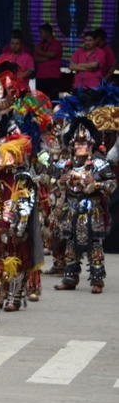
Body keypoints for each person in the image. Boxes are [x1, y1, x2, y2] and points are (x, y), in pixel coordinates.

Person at [54, 110, 117, 293]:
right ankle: (70, 278)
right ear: (72, 144)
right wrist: (61, 182)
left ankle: (97, 280)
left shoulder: (99, 164)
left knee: (95, 245)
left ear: (91, 144)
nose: (81, 146)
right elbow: (52, 184)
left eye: (85, 142)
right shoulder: (65, 165)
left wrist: (95, 184)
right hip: (71, 209)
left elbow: (112, 184)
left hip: (93, 209)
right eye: (78, 142)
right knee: (71, 245)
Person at [33, 23, 64, 100]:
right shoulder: (40, 44)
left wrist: (40, 51)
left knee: (53, 100)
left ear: (47, 32)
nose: (40, 35)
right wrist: (46, 57)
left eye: (41, 32)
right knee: (40, 101)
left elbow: (52, 54)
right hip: (40, 77)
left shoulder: (57, 44)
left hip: (53, 77)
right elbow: (36, 58)